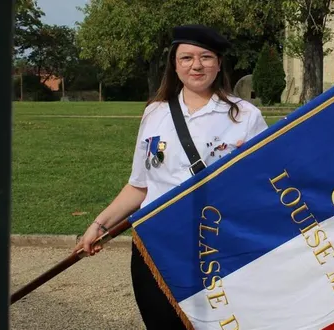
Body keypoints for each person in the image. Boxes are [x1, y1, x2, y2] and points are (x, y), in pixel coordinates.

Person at [73, 24, 268, 329]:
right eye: (187, 57)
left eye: (206, 57)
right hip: (157, 243)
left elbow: (262, 184)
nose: (197, 65)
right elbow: (139, 186)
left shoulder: (245, 116)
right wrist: (99, 225)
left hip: (217, 243)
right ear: (174, 65)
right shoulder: (155, 113)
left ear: (218, 64)